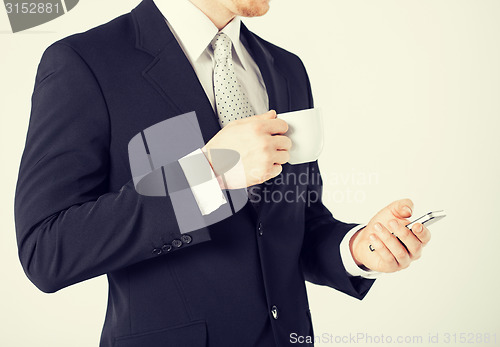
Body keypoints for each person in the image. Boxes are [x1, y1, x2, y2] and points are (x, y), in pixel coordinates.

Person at [14, 0, 431, 346]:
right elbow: (47, 251)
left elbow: (297, 222)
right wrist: (209, 173)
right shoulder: (87, 62)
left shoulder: (286, 68)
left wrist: (357, 248)